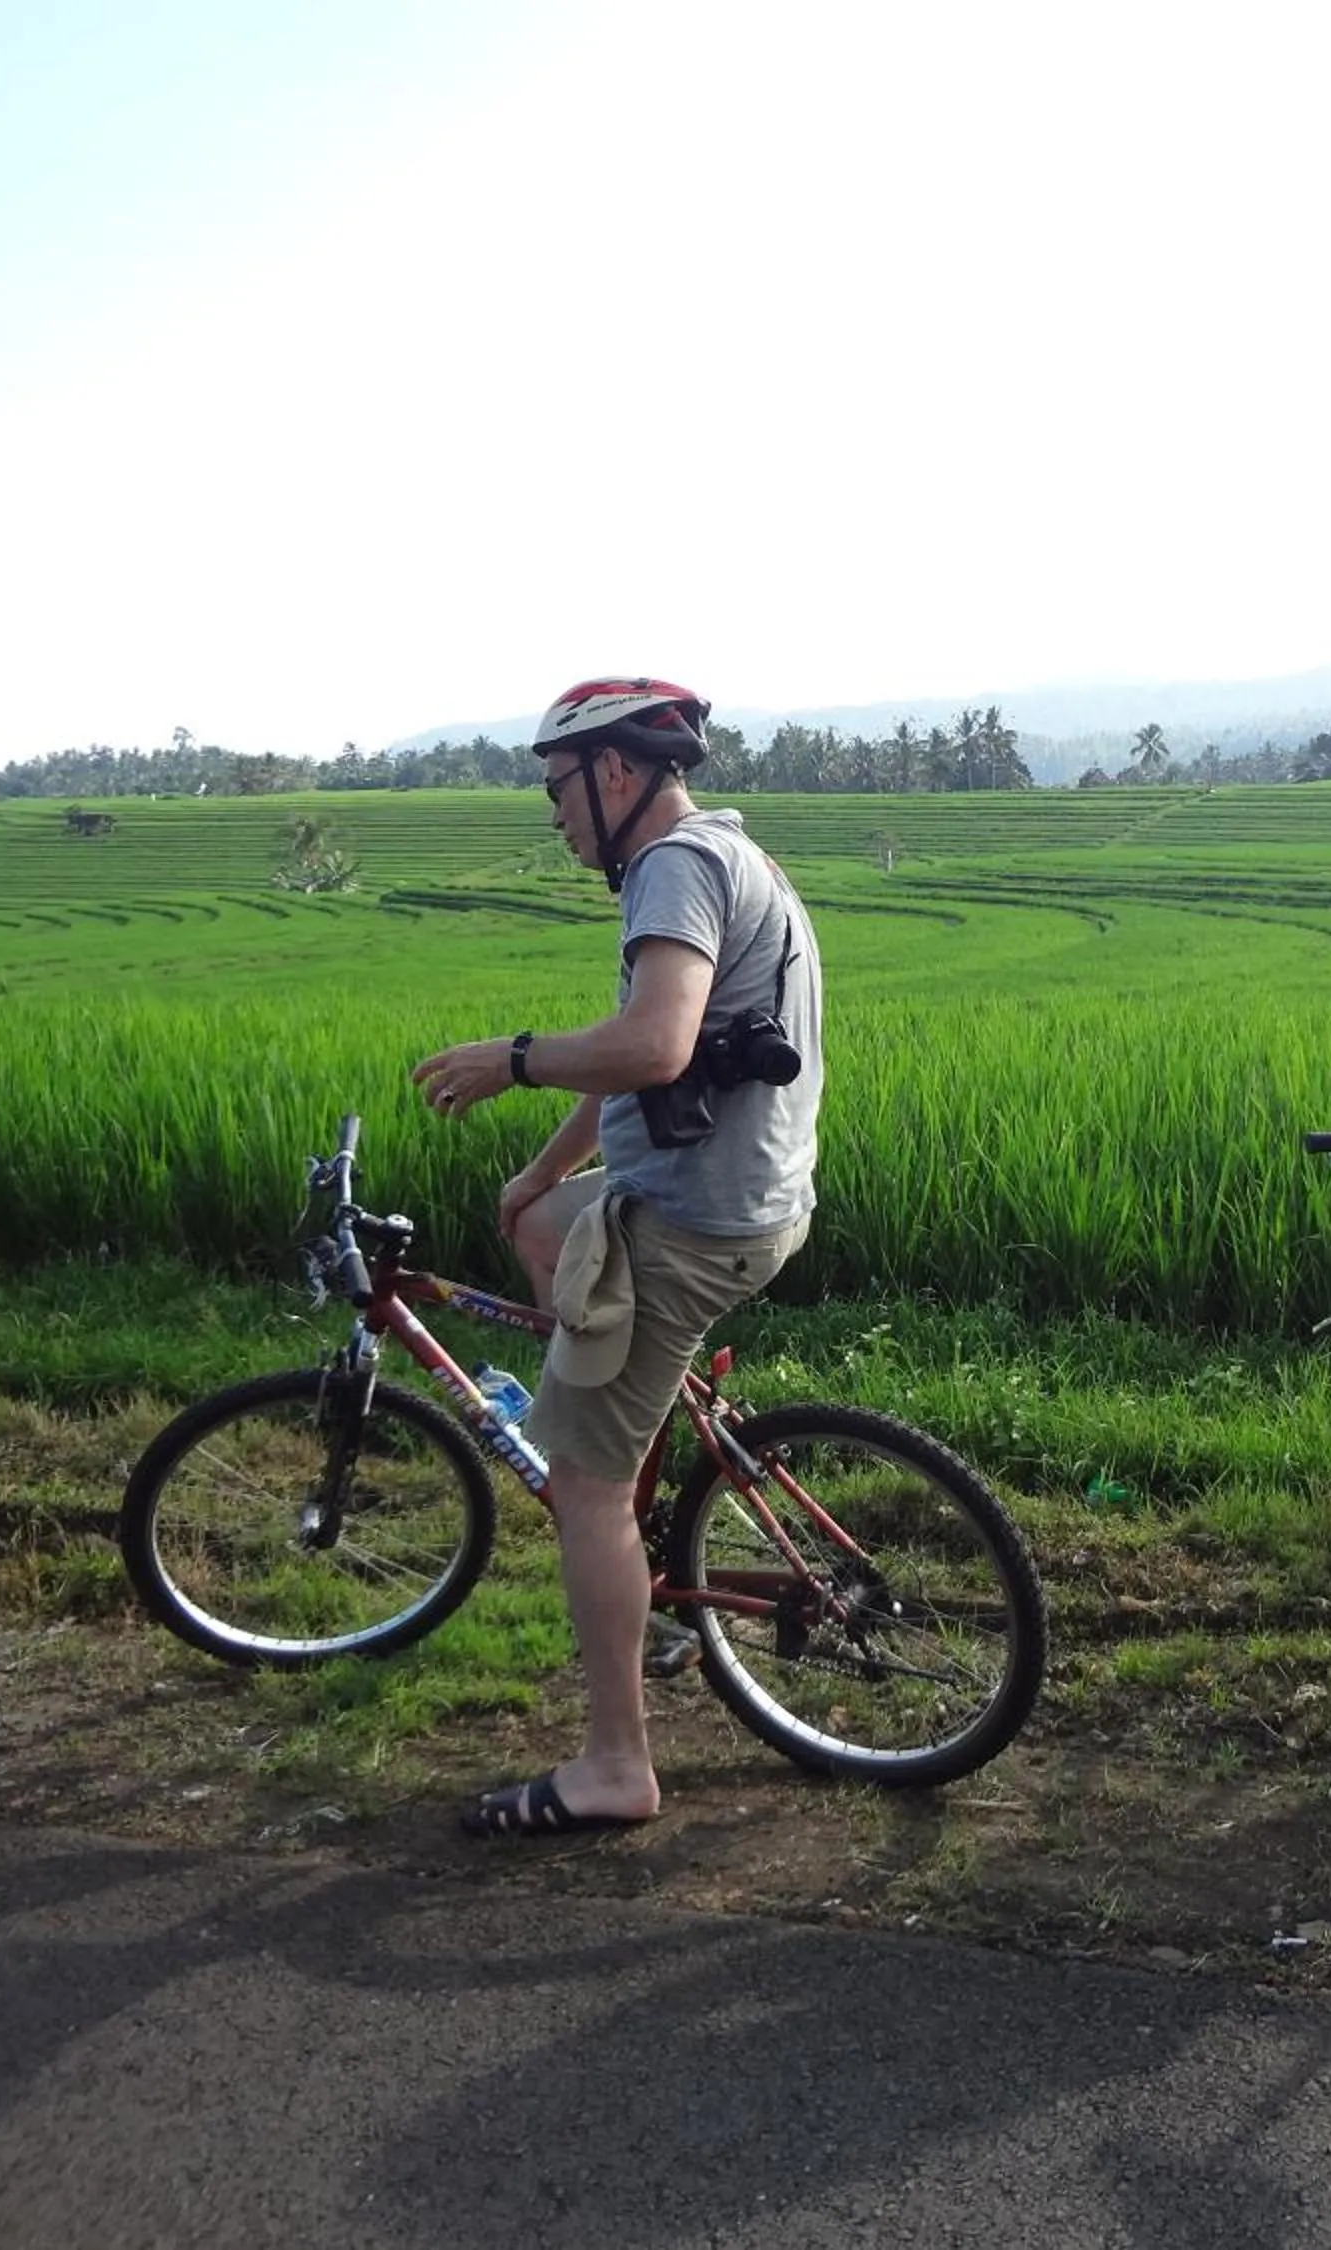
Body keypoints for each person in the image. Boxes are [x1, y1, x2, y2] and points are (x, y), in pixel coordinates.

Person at [410, 677, 824, 1837]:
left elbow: (652, 1043)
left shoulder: (674, 870)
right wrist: (541, 1175)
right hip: (734, 1197)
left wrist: (513, 1056)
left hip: (693, 1223)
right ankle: (623, 1438)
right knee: (541, 1229)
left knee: (581, 1490)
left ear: (620, 774)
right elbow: (658, 1068)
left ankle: (614, 1766)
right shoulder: (728, 855)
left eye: (558, 789)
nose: (553, 815)